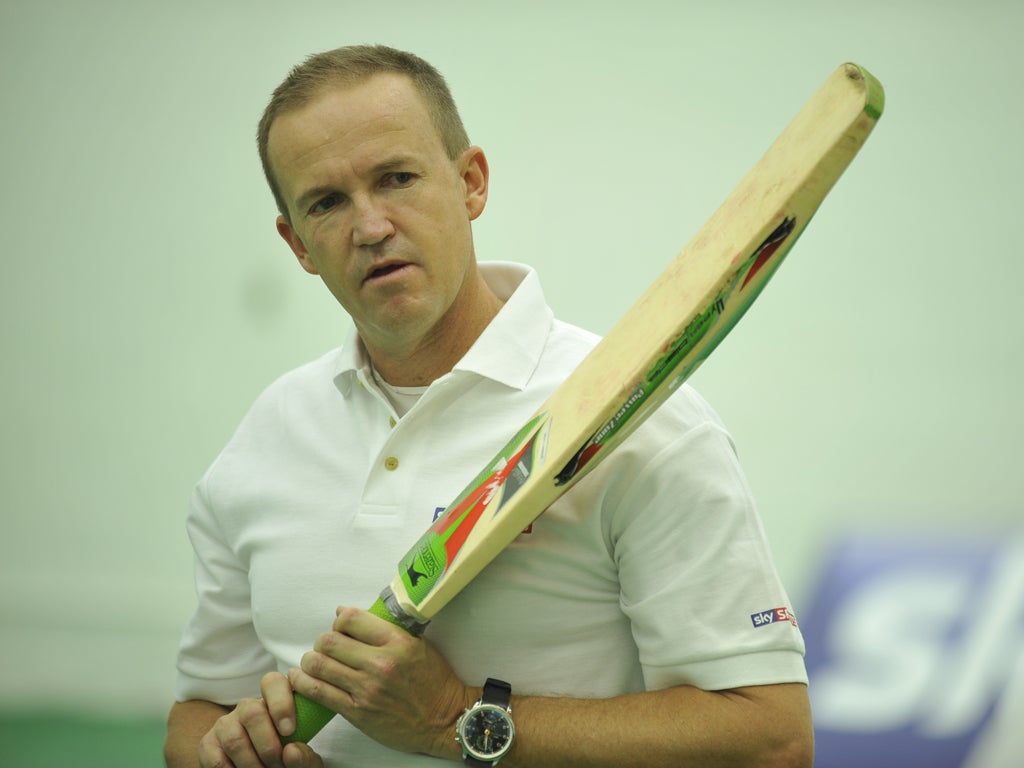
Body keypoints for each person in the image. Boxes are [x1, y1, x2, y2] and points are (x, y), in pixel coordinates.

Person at [164, 45, 813, 768]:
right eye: (326, 201)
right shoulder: (267, 436)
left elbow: (772, 739)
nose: (371, 226)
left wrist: (456, 718)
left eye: (397, 178)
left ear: (470, 182)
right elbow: (203, 709)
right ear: (297, 244)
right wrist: (219, 755)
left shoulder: (646, 421)